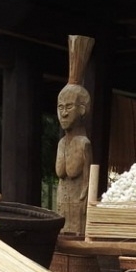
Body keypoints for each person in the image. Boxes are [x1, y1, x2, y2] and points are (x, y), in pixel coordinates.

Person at [54, 81, 92, 237]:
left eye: (69, 107)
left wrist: (84, 202)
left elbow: (88, 180)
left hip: (78, 205)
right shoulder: (61, 143)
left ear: (82, 109)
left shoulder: (84, 143)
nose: (63, 113)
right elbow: (60, 171)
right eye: (60, 107)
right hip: (62, 202)